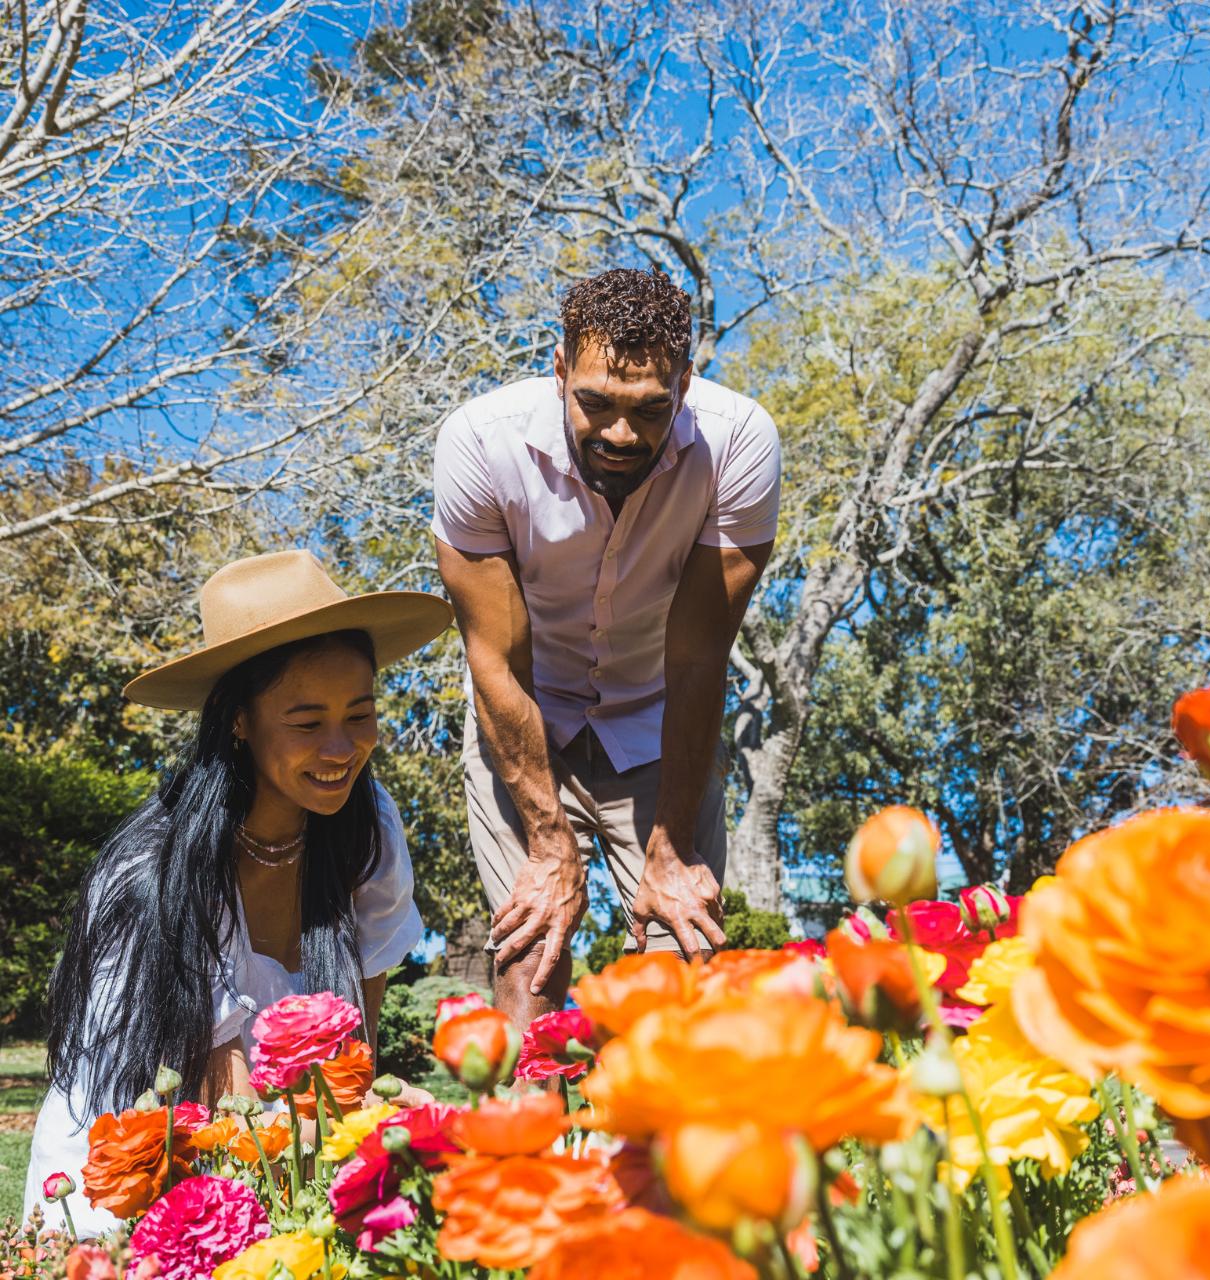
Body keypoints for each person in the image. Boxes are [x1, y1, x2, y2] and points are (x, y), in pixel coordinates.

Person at [23, 549, 452, 1236]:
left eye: (361, 714)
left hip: (274, 1147)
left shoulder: (368, 829)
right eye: (308, 723)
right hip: (132, 1155)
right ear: (239, 721)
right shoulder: (160, 865)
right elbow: (226, 1095)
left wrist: (371, 1129)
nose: (343, 748)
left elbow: (353, 1052)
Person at [433, 265, 781, 1026]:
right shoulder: (480, 444)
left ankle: (656, 1142)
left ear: (685, 385)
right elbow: (494, 659)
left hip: (659, 716)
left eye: (651, 410)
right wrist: (550, 844)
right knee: (534, 953)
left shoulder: (740, 444)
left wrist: (671, 848)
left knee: (684, 967)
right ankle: (530, 1142)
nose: (622, 435)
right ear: (559, 372)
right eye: (596, 404)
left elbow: (697, 660)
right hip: (526, 708)